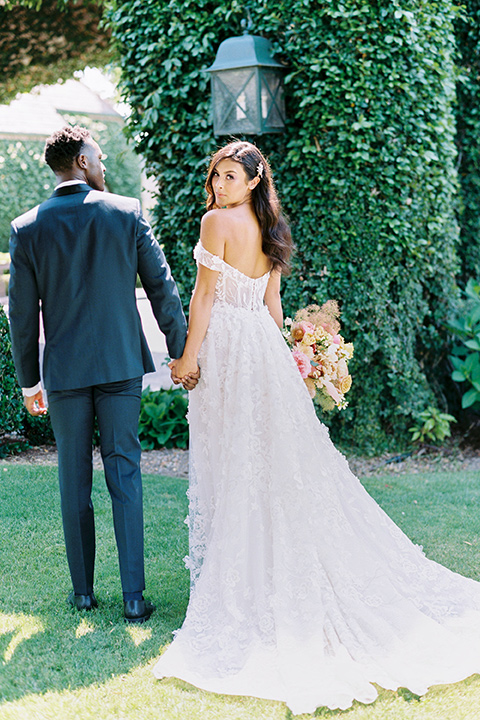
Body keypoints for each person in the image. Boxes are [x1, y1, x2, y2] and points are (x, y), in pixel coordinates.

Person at [153, 140, 480, 713]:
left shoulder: (214, 223)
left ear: (254, 181)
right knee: (275, 467)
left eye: (231, 175)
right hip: (263, 353)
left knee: (238, 462)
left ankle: (247, 584)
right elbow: (273, 309)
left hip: (231, 351)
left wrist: (187, 359)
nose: (220, 183)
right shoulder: (269, 229)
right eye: (217, 175)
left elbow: (204, 298)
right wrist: (287, 360)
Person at [8, 125, 197, 624]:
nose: (105, 163)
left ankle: (83, 594)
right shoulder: (127, 213)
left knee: (74, 479)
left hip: (65, 374)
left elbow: (21, 316)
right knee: (125, 472)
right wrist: (182, 353)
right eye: (100, 155)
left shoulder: (26, 227)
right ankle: (134, 597)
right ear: (83, 161)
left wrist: (30, 383)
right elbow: (163, 288)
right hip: (118, 367)